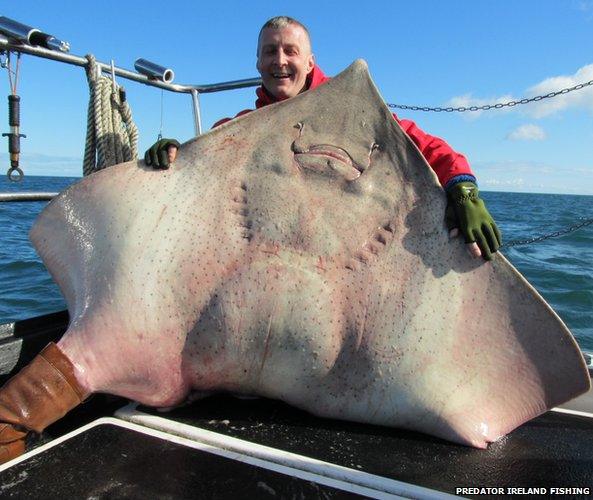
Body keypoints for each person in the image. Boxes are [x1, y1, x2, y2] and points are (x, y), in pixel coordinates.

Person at [145, 16, 501, 260]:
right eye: (270, 51)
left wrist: (463, 189)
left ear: (311, 62)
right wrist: (175, 156)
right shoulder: (241, 126)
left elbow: (422, 144)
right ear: (257, 62)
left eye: (290, 51)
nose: (279, 60)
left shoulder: (355, 115)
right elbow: (208, 156)